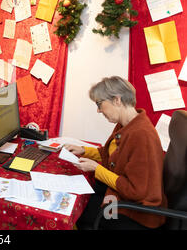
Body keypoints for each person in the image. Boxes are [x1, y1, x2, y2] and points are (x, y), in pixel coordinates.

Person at [66, 76, 166, 230]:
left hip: (136, 213)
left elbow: (136, 191)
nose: (98, 110)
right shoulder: (126, 124)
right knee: (78, 197)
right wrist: (84, 151)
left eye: (99, 104)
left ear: (117, 100)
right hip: (122, 197)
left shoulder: (141, 135)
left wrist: (97, 169)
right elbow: (113, 155)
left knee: (76, 212)